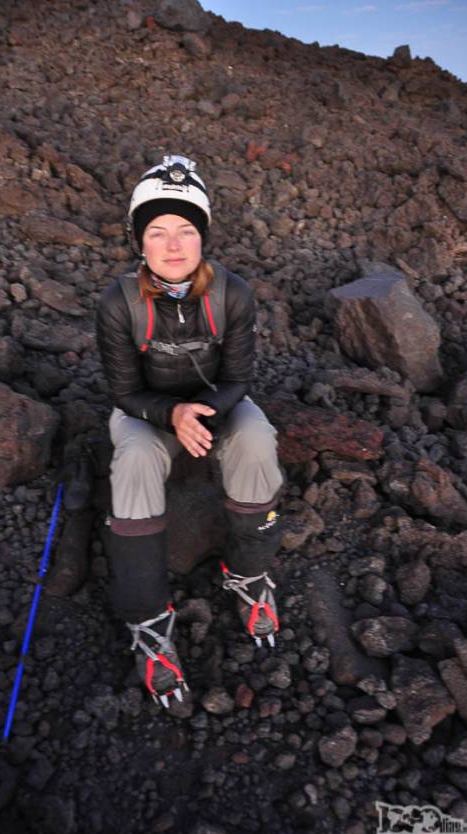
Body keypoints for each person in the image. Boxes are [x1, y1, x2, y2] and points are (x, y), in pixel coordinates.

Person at [96, 155, 284, 707]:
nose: (173, 245)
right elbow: (124, 393)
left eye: (185, 230)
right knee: (131, 461)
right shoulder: (117, 303)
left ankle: (248, 576)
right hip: (146, 411)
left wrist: (199, 413)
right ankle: (149, 623)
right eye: (157, 231)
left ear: (203, 238)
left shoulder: (233, 294)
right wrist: (171, 417)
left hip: (218, 404)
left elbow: (239, 378)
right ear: (139, 241)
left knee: (256, 439)